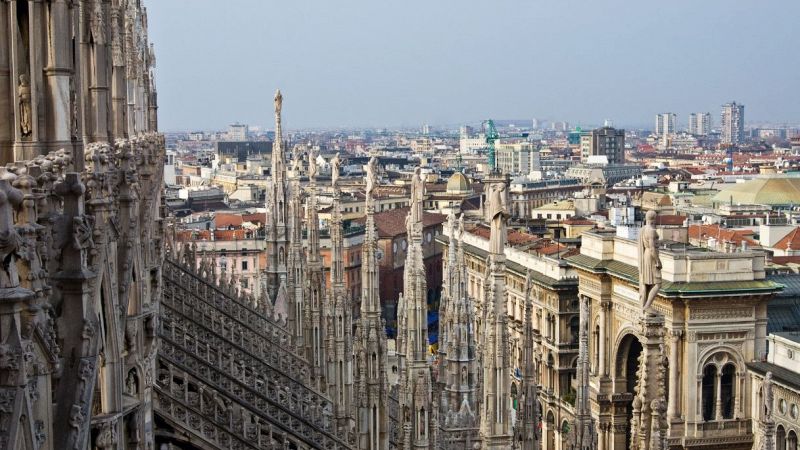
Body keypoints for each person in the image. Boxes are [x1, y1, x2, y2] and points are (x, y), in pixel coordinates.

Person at [638, 210, 662, 312]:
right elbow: (652, 248)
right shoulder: (651, 231)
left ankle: (645, 304)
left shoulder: (643, 229)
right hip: (651, 257)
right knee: (658, 283)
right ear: (654, 219)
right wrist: (658, 261)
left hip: (645, 256)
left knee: (648, 284)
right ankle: (647, 305)